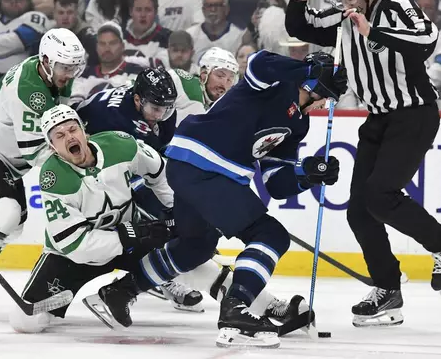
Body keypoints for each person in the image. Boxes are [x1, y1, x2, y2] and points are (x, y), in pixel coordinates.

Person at [83, 50, 347, 348]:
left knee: (196, 246)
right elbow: (260, 61)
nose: (327, 105)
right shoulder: (277, 83)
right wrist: (305, 67)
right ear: (314, 86)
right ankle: (236, 308)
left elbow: (277, 184)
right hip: (202, 165)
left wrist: (309, 174)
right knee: (270, 235)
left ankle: (118, 293)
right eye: (328, 96)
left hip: (193, 169)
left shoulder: (298, 125)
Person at [285, 0, 441, 327]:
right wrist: (296, 2)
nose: (347, 4)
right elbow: (302, 28)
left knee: (381, 194)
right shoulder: (344, 14)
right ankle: (388, 289)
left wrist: (376, 33)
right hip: (378, 119)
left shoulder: (395, 4)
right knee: (359, 210)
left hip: (414, 114)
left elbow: (427, 41)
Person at [0, 28, 87, 319]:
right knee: (5, 212)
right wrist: (83, 166)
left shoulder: (55, 73)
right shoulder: (29, 89)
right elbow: (37, 153)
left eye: (74, 67)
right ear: (46, 61)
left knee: (15, 224)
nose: (69, 73)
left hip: (6, 158)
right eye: (64, 67)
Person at [9, 104, 174, 332]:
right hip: (76, 257)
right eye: (59, 135)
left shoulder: (120, 144)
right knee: (24, 321)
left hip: (130, 233)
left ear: (84, 131)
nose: (69, 137)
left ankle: (224, 294)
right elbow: (75, 244)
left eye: (72, 129)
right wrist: (127, 237)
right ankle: (149, 275)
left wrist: (173, 208)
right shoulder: (54, 178)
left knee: (185, 248)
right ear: (52, 147)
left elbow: (159, 172)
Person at [76, 67, 204, 311]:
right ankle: (161, 278)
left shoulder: (160, 109)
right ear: (137, 99)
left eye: (166, 108)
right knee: (152, 216)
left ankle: (157, 274)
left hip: (127, 159)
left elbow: (162, 154)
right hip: (92, 167)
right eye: (156, 109)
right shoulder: (116, 118)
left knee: (169, 209)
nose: (161, 114)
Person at [171, 46, 239, 124]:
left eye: (229, 79)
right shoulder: (184, 83)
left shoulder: (222, 108)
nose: (224, 83)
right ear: (204, 74)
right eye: (220, 76)